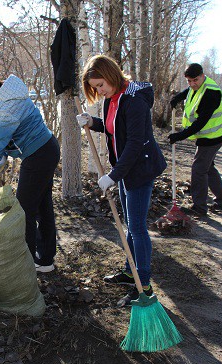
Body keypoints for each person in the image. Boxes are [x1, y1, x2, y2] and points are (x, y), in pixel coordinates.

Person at [76, 55, 167, 307]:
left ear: (113, 75)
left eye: (101, 85)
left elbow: (135, 142)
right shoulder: (113, 99)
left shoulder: (135, 101)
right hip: (125, 169)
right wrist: (91, 122)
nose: (99, 91)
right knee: (129, 224)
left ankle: (144, 284)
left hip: (139, 170)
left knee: (137, 228)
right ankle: (130, 272)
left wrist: (113, 176)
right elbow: (114, 128)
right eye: (95, 88)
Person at [0, 69, 60, 273]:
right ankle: (45, 260)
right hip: (46, 149)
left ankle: (25, 264)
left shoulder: (3, 109)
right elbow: (6, 140)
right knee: (42, 207)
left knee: (23, 210)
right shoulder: (10, 95)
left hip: (38, 155)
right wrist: (4, 154)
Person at [169, 63, 222, 216]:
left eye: (195, 80)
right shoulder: (196, 86)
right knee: (208, 168)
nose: (192, 84)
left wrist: (179, 136)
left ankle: (199, 207)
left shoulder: (211, 93)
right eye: (189, 81)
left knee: (199, 169)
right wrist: (178, 98)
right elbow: (189, 92)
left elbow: (200, 122)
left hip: (212, 137)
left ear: (203, 76)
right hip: (208, 136)